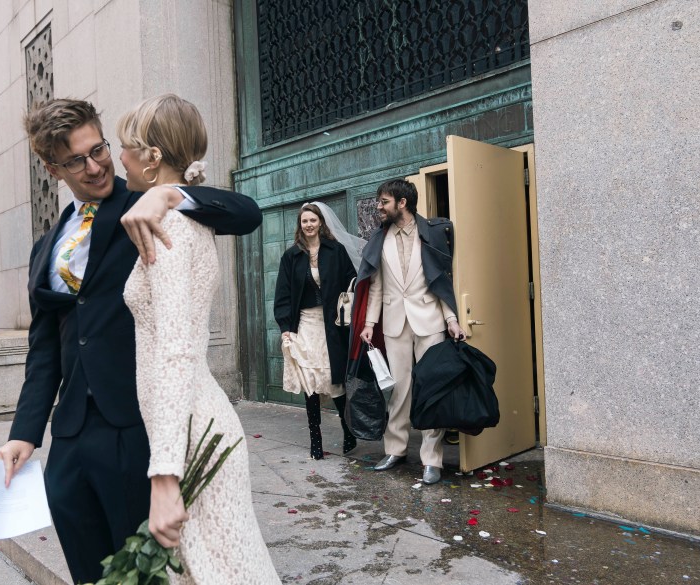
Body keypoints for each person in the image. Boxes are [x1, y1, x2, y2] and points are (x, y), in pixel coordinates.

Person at [0, 98, 262, 584]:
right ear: (52, 168)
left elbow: (246, 212)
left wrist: (174, 195)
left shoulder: (147, 203)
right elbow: (46, 346)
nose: (96, 165)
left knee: (150, 574)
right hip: (70, 437)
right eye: (77, 159)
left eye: (99, 149)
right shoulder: (46, 247)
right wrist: (25, 432)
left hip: (134, 429)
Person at [118, 94, 281, 583]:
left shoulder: (169, 228)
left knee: (220, 572)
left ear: (151, 157)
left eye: (126, 145)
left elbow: (176, 352)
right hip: (189, 424)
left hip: (191, 433)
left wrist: (164, 473)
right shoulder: (175, 219)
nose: (118, 155)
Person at [352, 179, 466, 485]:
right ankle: (396, 450)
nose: (379, 207)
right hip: (393, 322)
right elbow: (375, 286)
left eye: (384, 201)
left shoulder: (431, 232)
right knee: (399, 390)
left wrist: (452, 318)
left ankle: (432, 460)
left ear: (402, 203)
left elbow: (442, 279)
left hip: (429, 319)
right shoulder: (379, 239)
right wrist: (369, 324)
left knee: (432, 389)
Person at [273, 203, 360, 460]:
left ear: (321, 222)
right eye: (304, 221)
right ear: (300, 225)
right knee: (310, 383)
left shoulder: (337, 251)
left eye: (312, 220)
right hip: (306, 324)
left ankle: (348, 430)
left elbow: (351, 282)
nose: (308, 225)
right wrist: (285, 328)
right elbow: (283, 295)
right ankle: (316, 440)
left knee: (335, 381)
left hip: (332, 324)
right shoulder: (291, 256)